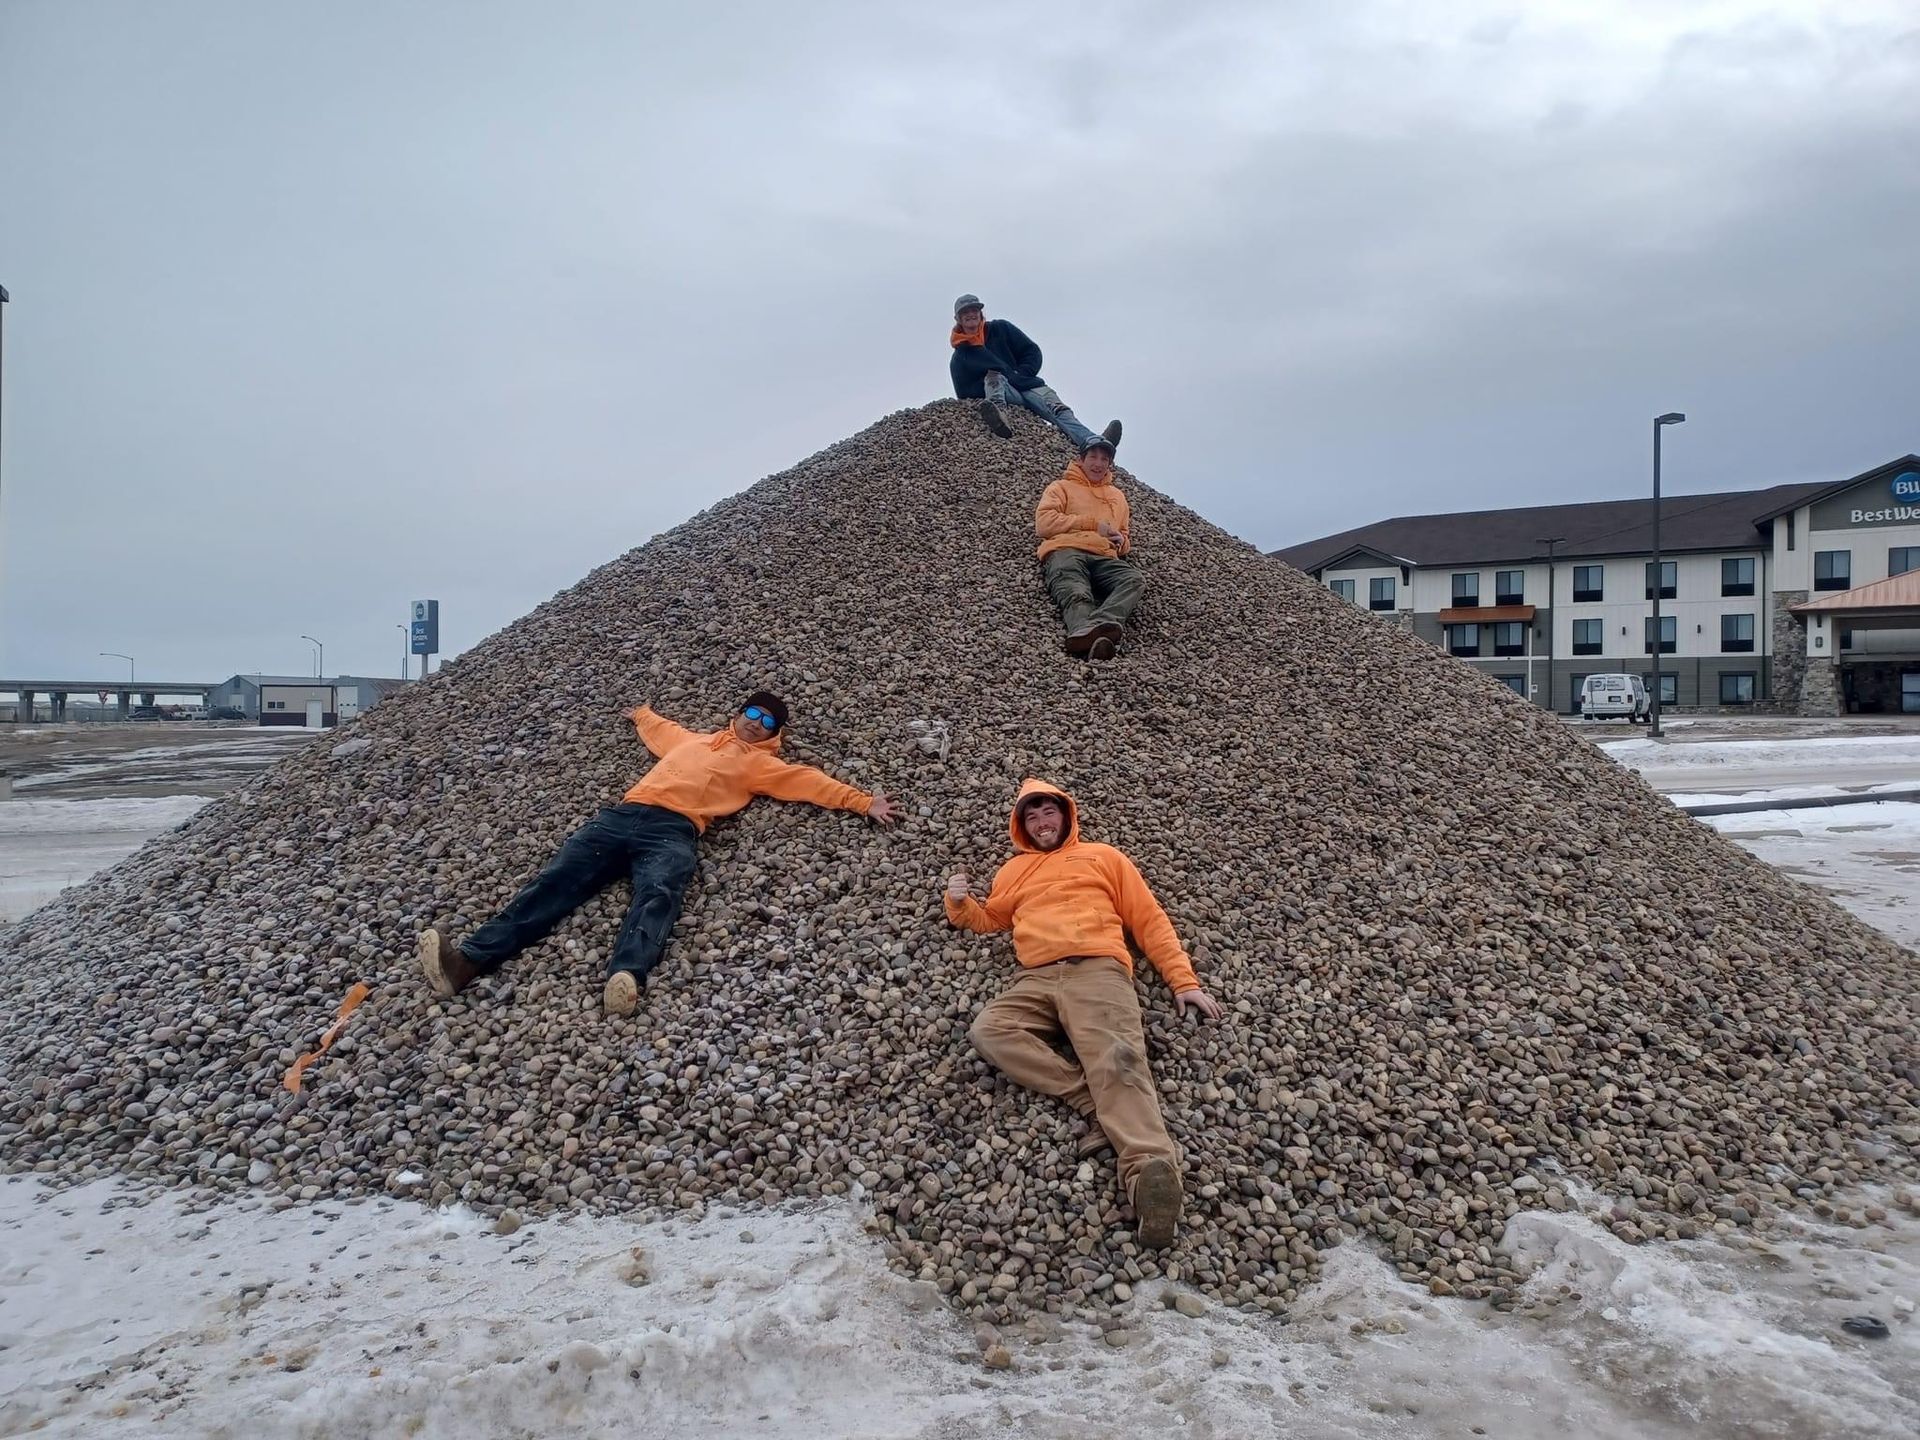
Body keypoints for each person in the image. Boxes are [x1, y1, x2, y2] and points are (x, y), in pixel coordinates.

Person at [418, 691, 896, 1016]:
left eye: (768, 721)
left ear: (774, 733)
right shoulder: (694, 740)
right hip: (621, 816)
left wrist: (862, 802)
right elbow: (662, 729)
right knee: (556, 882)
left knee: (659, 893)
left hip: (674, 830)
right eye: (753, 713)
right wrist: (641, 714)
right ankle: (467, 962)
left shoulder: (761, 764)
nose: (756, 723)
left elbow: (809, 781)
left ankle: (626, 978)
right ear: (739, 714)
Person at [944, 780, 1223, 1248]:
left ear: (1066, 815)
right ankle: (1089, 1101)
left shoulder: (1103, 857)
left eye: (1048, 812)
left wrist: (1183, 980)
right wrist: (957, 903)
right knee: (989, 1029)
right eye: (1031, 816)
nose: (1041, 822)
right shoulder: (1012, 871)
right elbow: (991, 919)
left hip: (1098, 970)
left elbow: (1148, 919)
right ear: (1022, 826)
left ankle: (1149, 1175)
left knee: (1118, 1058)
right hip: (1035, 978)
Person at [948, 293, 1121, 451]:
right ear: (958, 318)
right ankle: (999, 417)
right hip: (1005, 394)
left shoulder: (1001, 329)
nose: (971, 314)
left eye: (974, 310)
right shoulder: (960, 356)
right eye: (965, 312)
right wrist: (986, 389)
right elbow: (964, 393)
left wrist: (1020, 373)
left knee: (1057, 409)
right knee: (994, 377)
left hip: (1027, 384)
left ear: (980, 312)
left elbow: (1031, 351)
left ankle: (1095, 442)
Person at [1035, 434, 1144, 659]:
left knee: (1134, 580)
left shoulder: (1118, 497)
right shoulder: (1061, 487)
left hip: (1105, 556)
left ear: (1109, 464)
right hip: (1066, 548)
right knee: (1075, 590)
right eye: (1093, 457)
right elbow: (1044, 524)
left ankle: (1099, 625)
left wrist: (1122, 543)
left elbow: (1124, 535)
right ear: (1081, 459)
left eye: (1104, 459)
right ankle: (1086, 635)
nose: (1098, 464)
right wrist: (1092, 524)